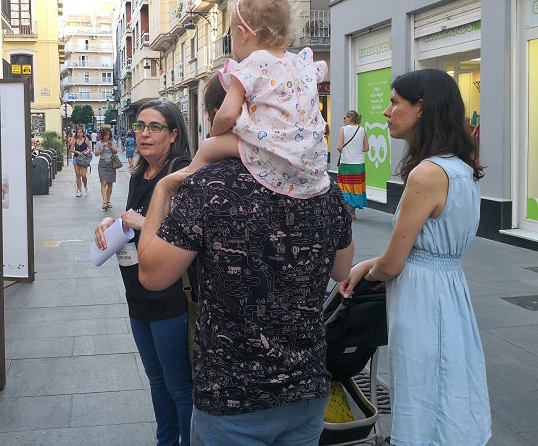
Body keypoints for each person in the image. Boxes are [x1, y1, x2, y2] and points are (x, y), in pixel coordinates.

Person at [135, 83, 354, 445]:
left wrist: (161, 191)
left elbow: (152, 276)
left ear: (214, 119)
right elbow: (342, 270)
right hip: (306, 387)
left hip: (233, 396)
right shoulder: (324, 187)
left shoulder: (208, 186)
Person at [340, 69, 491, 446]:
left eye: (394, 103)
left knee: (421, 386)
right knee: (450, 383)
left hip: (423, 297)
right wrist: (370, 264)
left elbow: (394, 263)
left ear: (421, 108)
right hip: (451, 289)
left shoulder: (426, 173)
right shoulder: (461, 167)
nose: (387, 112)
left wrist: (366, 268)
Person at [94, 99, 193, 446]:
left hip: (169, 296)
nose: (145, 133)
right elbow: (132, 216)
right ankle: (165, 441)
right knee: (156, 379)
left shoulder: (181, 171)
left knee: (179, 384)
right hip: (137, 292)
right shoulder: (141, 173)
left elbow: (189, 229)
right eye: (140, 126)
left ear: (173, 134)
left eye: (155, 127)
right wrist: (113, 220)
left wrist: (144, 221)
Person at [186, 0, 329, 199]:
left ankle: (181, 191)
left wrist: (217, 133)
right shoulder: (299, 63)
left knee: (208, 148)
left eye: (231, 35)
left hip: (274, 152)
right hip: (309, 158)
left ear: (243, 34)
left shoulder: (252, 64)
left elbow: (226, 114)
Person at [336, 110, 370, 219]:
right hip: (359, 164)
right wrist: (357, 150)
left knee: (346, 187)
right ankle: (353, 212)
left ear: (350, 118)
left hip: (346, 162)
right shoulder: (362, 130)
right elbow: (366, 148)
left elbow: (339, 147)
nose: (344, 119)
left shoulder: (343, 130)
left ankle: (346, 210)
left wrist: (346, 151)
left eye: (345, 117)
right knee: (356, 187)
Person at [95, 126, 118, 210]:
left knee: (110, 183)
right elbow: (96, 154)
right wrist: (102, 149)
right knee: (103, 182)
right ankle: (104, 202)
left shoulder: (113, 142)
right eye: (105, 135)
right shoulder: (99, 143)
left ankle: (108, 201)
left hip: (111, 163)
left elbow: (115, 151)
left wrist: (110, 147)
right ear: (102, 135)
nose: (107, 136)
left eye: (108, 135)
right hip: (102, 164)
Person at [70, 129, 92, 197]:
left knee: (83, 175)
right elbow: (71, 149)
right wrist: (77, 152)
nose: (79, 133)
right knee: (78, 174)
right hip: (76, 158)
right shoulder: (74, 140)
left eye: (80, 132)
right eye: (78, 132)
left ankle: (85, 185)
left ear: (83, 133)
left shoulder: (86, 140)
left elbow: (91, 148)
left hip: (83, 159)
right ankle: (79, 190)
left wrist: (87, 152)